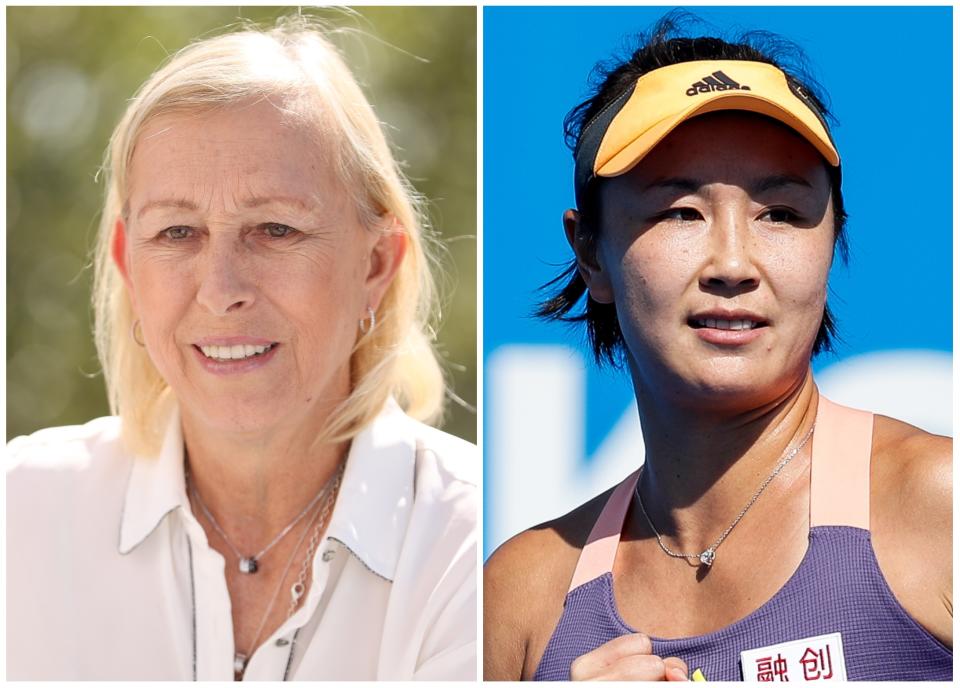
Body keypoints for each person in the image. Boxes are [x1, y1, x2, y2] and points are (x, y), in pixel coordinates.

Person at [7, 18, 477, 681]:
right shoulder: (21, 511)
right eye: (176, 232)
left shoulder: (478, 543)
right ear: (127, 267)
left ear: (376, 263)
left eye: (275, 228)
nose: (221, 290)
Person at [483, 16, 951, 681]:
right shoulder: (519, 594)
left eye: (781, 213)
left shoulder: (941, 504)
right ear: (590, 252)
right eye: (680, 211)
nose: (733, 263)